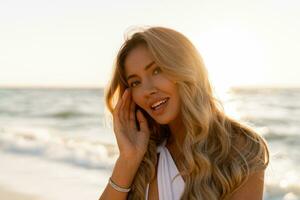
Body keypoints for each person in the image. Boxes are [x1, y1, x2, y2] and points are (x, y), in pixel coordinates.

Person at [99, 26, 269, 200]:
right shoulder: (145, 157)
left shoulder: (241, 147)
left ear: (185, 68)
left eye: (157, 70)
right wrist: (128, 158)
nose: (147, 90)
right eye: (135, 82)